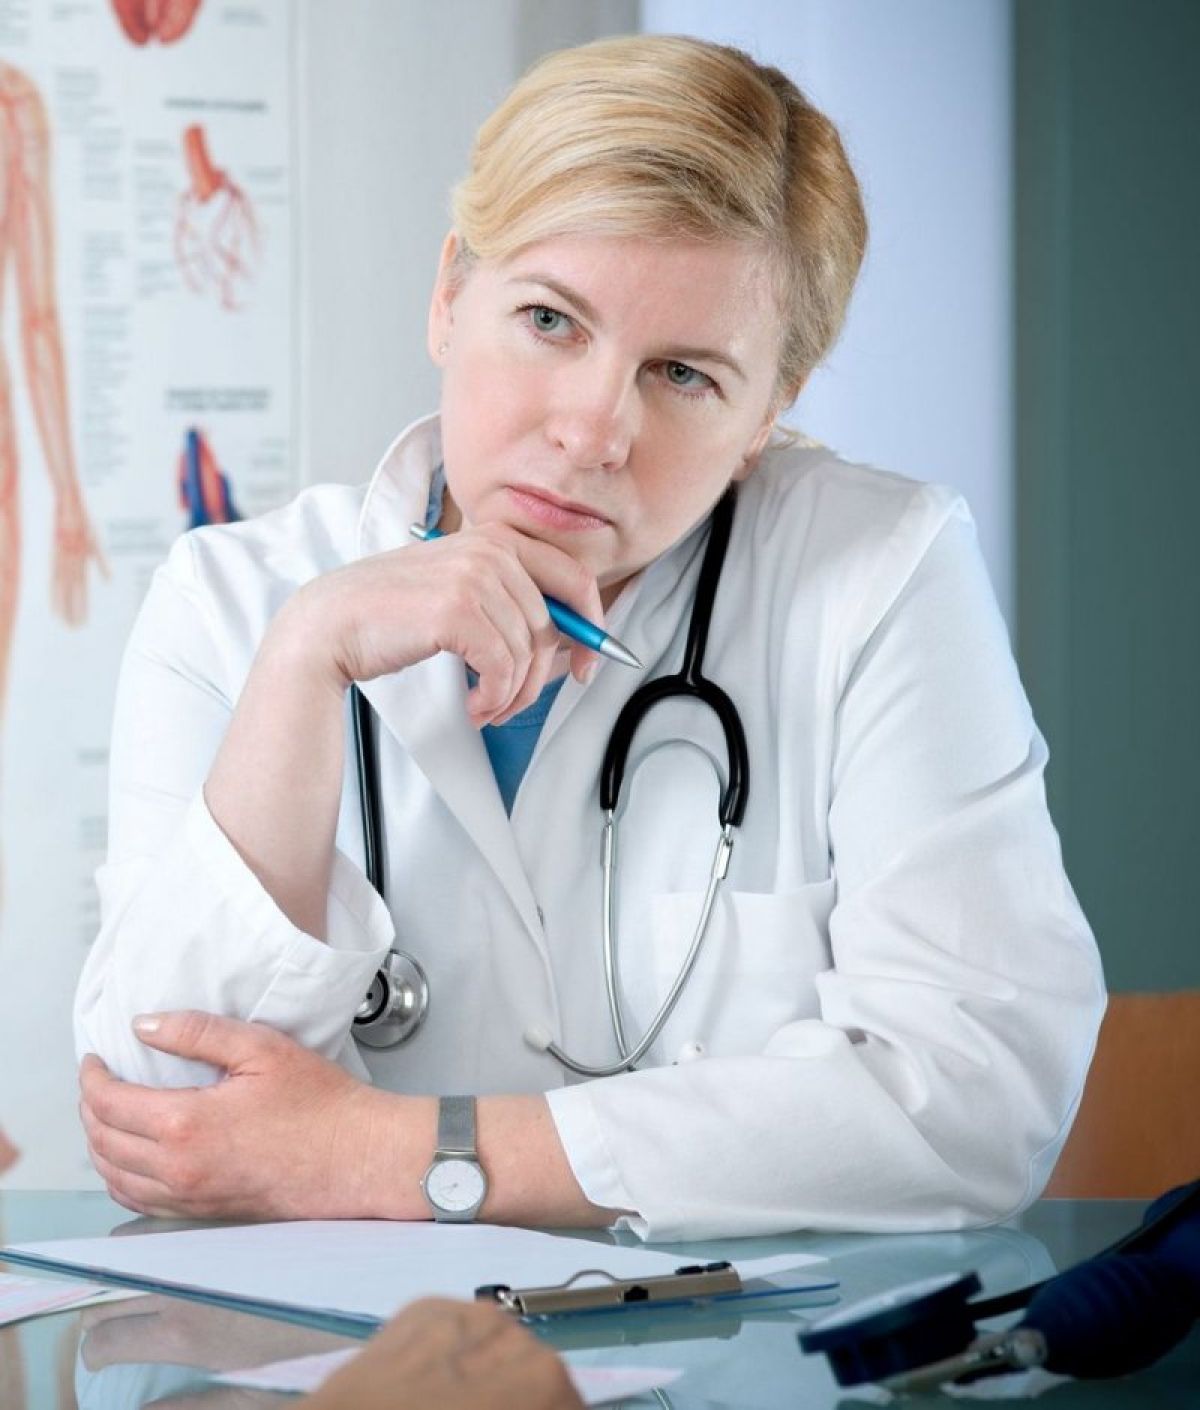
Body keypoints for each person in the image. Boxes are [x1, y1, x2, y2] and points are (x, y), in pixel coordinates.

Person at [74, 34, 1104, 1241]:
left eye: (683, 375)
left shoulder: (877, 575)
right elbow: (166, 1119)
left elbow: (978, 1094)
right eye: (550, 320)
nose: (594, 431)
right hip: (319, 1344)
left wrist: (398, 1153)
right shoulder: (236, 602)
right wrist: (307, 660)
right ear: (449, 295)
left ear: (770, 412)